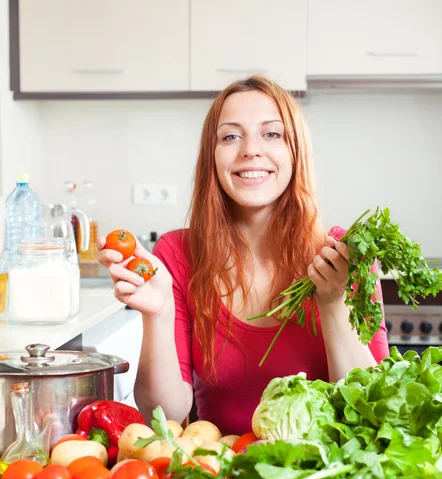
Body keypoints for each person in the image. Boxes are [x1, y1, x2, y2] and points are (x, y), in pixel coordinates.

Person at [97, 76, 389, 436]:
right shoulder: (177, 254)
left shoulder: (344, 255)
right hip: (218, 474)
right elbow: (165, 414)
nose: (251, 150)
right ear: (212, 156)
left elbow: (372, 411)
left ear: (296, 151)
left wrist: (333, 303)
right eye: (231, 136)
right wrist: (157, 314)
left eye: (272, 134)